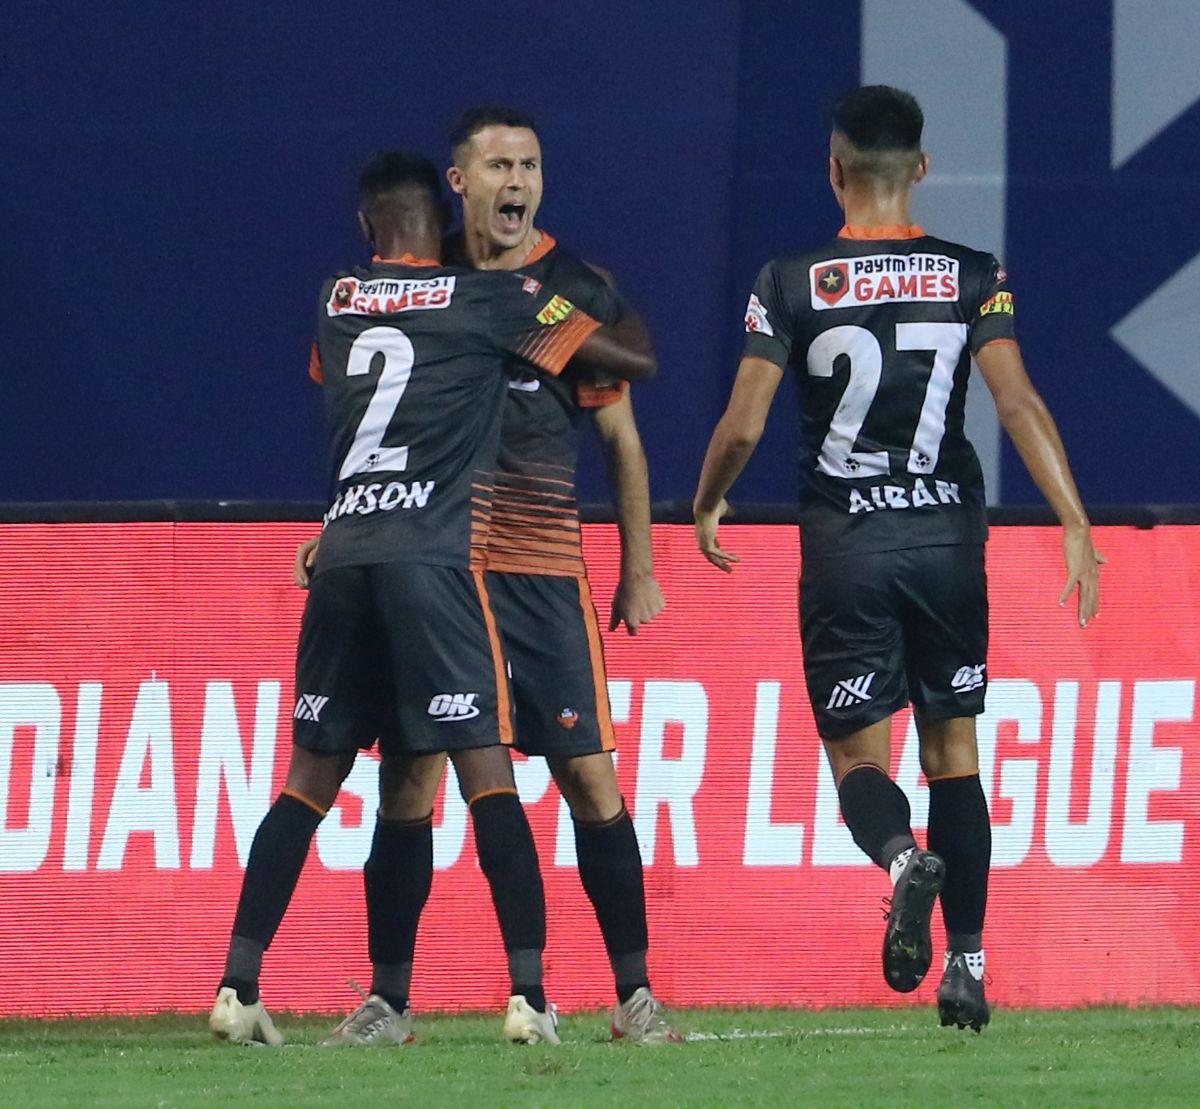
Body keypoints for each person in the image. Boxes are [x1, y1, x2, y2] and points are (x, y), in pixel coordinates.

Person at [210, 149, 654, 1047]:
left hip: (345, 554)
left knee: (313, 779)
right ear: (450, 192)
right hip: (438, 559)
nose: (515, 179)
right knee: (485, 767)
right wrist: (582, 298)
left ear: (368, 224)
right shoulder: (487, 299)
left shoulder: (337, 301)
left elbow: (369, 407)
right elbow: (631, 359)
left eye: (527, 162)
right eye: (498, 163)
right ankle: (527, 996)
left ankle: (238, 984)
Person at [693, 86, 1102, 1032]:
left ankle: (897, 860)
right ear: (921, 169)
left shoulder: (787, 278)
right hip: (949, 542)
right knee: (954, 752)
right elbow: (1018, 404)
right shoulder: (972, 272)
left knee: (857, 758)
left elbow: (745, 421)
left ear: (834, 170)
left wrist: (708, 497)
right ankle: (967, 960)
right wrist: (1074, 519)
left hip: (847, 548)